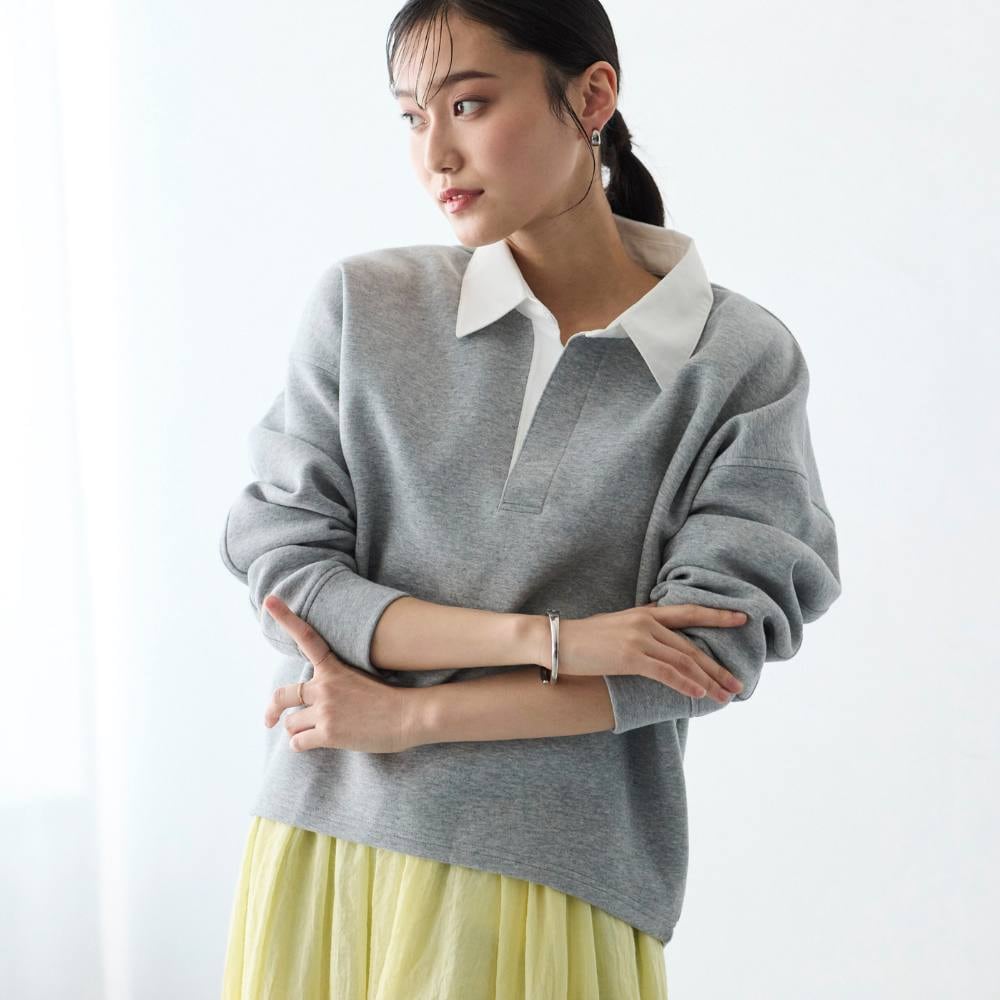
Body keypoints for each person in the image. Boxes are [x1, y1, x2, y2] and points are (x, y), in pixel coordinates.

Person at [219, 2, 842, 998]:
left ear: (591, 97)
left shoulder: (735, 362)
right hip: (328, 852)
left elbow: (705, 654)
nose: (436, 153)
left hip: (558, 879)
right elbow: (287, 575)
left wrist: (405, 717)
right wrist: (557, 642)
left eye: (468, 104)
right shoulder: (363, 308)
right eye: (412, 116)